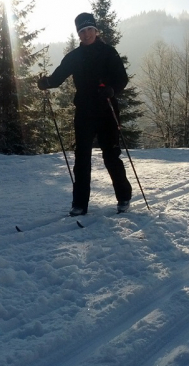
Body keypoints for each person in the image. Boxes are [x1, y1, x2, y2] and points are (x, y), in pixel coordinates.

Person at [37, 12, 132, 215]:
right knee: (82, 158)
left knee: (111, 156)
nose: (87, 34)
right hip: (85, 111)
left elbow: (122, 79)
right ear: (78, 35)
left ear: (96, 31)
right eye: (82, 31)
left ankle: (124, 197)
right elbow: (58, 77)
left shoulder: (109, 52)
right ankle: (79, 204)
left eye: (90, 29)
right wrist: (46, 83)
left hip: (107, 109)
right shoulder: (74, 57)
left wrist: (112, 89)